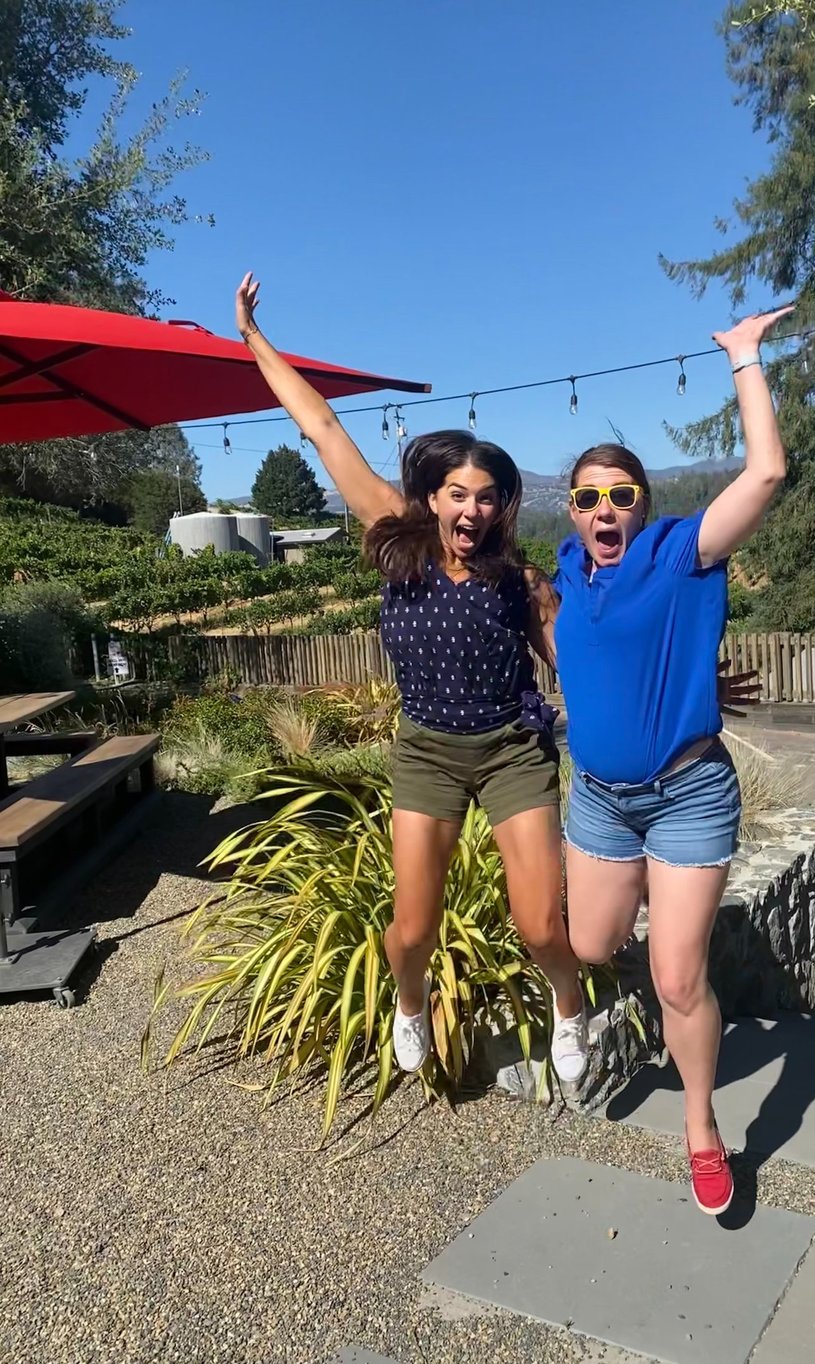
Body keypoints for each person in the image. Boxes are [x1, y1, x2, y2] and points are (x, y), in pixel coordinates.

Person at [233, 273, 590, 1084]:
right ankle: (409, 1000)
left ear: (501, 508)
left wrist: (686, 690)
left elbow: (587, 667)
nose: (473, 510)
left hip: (512, 751)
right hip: (427, 750)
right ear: (432, 497)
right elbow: (323, 428)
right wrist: (254, 339)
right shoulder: (400, 541)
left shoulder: (523, 584)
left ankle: (569, 1003)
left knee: (541, 925)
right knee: (413, 930)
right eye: (458, 494)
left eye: (488, 498)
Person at [551, 307, 793, 1215]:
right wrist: (691, 679)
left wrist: (746, 357)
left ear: (642, 504)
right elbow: (586, 656)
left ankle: (701, 1126)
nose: (604, 510)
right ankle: (651, 925)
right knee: (589, 944)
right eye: (588, 499)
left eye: (620, 495)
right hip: (599, 801)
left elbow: (765, 473)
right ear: (571, 513)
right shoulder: (567, 574)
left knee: (677, 977)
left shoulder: (677, 554)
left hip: (687, 796)